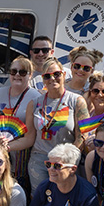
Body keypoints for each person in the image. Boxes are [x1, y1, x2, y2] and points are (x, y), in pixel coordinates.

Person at [28, 58, 89, 194]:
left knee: (63, 198)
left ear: (64, 75)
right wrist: (7, 144)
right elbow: (29, 137)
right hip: (39, 160)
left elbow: (83, 136)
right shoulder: (34, 104)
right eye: (47, 76)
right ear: (43, 79)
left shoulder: (77, 101)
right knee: (40, 199)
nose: (52, 79)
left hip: (65, 162)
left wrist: (68, 159)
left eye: (56, 74)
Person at [0, 56, 41, 188]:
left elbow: (30, 137)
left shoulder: (35, 97)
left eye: (22, 72)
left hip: (19, 159)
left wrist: (6, 145)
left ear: (30, 75)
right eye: (14, 71)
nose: (17, 75)